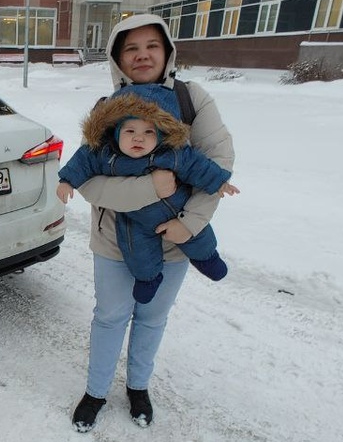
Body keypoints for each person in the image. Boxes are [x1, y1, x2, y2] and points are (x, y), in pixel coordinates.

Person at [67, 13, 235, 432]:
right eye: (131, 48)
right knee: (110, 317)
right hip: (113, 240)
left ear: (167, 52)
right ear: (117, 58)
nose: (142, 55)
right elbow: (91, 182)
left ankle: (138, 387)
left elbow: (216, 167)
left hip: (176, 238)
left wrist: (189, 225)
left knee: (152, 318)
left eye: (152, 46)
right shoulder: (107, 111)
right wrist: (150, 188)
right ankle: (96, 392)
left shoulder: (191, 100)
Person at [56, 93, 238, 302]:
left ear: (160, 135)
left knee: (199, 237)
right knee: (137, 252)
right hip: (134, 219)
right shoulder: (105, 155)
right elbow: (82, 162)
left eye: (148, 132)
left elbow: (197, 166)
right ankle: (148, 279)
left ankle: (208, 258)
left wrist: (219, 182)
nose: (138, 138)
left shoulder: (170, 153)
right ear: (116, 134)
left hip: (177, 210)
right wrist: (67, 181)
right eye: (130, 131)